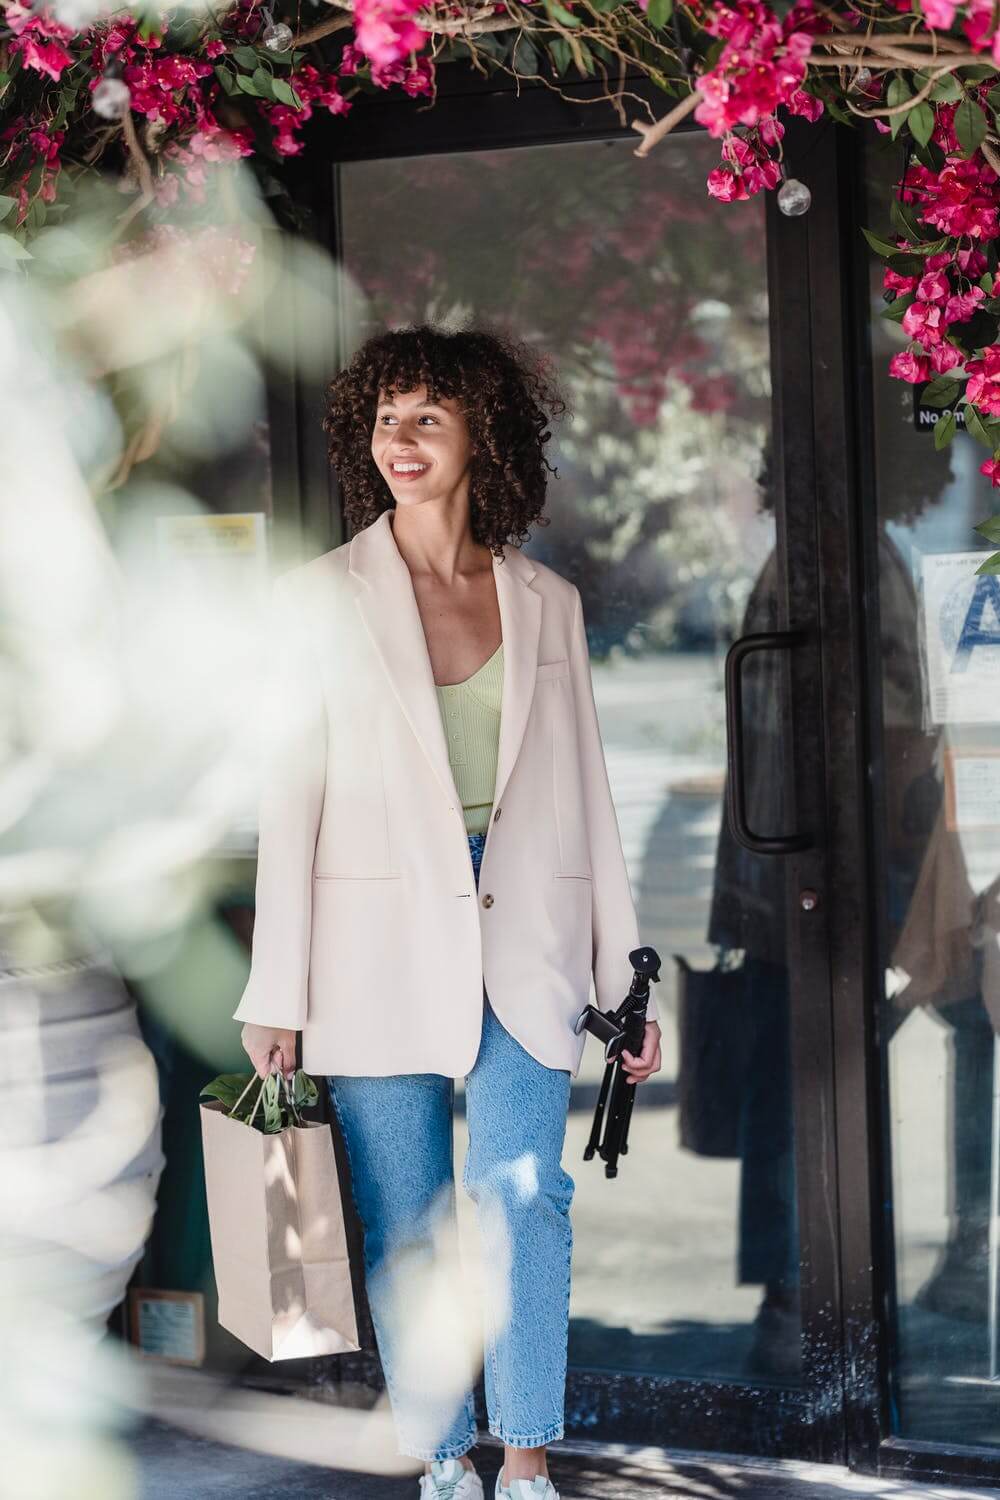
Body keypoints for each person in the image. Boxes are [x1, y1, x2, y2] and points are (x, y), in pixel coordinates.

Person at [232, 323, 663, 1500]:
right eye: (386, 418)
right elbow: (291, 804)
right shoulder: (317, 599)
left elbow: (586, 801)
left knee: (525, 1201)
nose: (403, 441)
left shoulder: (546, 602)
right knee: (409, 1215)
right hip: (369, 944)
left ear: (483, 434)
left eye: (429, 416)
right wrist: (276, 993)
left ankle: (523, 1460)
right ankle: (439, 1454)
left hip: (523, 935)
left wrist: (624, 985)